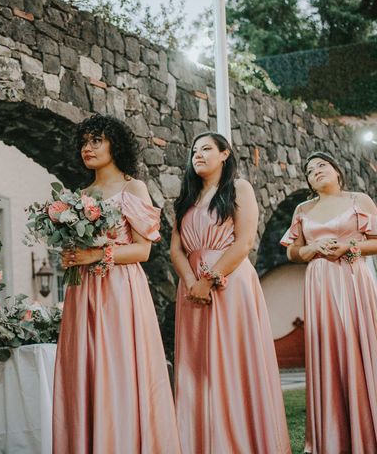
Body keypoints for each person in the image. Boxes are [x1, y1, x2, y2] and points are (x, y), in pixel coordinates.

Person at [52, 114, 181, 454]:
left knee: (119, 367)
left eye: (97, 141)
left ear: (116, 145)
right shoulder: (78, 196)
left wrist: (95, 254)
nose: (88, 148)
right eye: (84, 142)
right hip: (83, 292)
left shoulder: (132, 187)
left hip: (120, 290)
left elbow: (143, 249)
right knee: (86, 367)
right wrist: (72, 255)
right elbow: (76, 246)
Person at [171, 132, 290, 453]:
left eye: (207, 149)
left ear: (225, 154)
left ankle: (239, 438)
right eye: (194, 150)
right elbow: (176, 249)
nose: (198, 154)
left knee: (232, 358)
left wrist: (209, 280)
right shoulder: (186, 198)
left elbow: (244, 241)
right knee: (198, 367)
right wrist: (191, 282)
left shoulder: (239, 189)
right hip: (191, 287)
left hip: (230, 281)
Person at [281, 151, 377, 453]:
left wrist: (349, 246)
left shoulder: (357, 200)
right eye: (310, 171)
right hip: (319, 282)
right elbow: (291, 252)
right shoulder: (302, 208)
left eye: (322, 165)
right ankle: (334, 435)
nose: (316, 171)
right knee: (329, 349)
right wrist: (311, 249)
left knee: (360, 344)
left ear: (337, 171)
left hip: (352, 277)